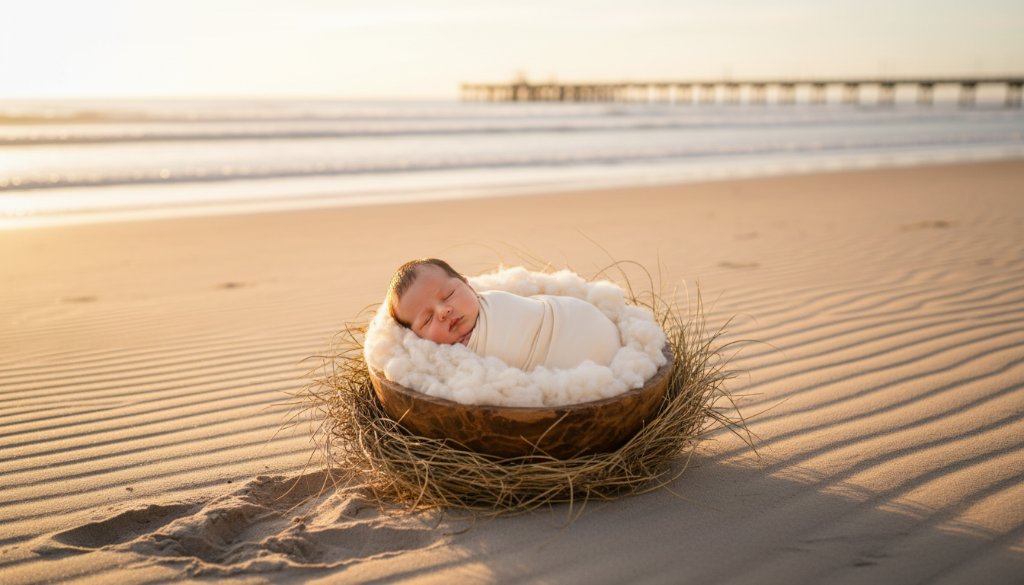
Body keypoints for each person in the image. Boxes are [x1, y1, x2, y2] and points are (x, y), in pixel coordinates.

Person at [387, 258, 622, 371]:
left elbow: (531, 315)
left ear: (469, 287)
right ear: (417, 337)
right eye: (427, 319)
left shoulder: (498, 302)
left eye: (448, 295)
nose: (443, 311)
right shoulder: (448, 358)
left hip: (571, 319)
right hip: (575, 360)